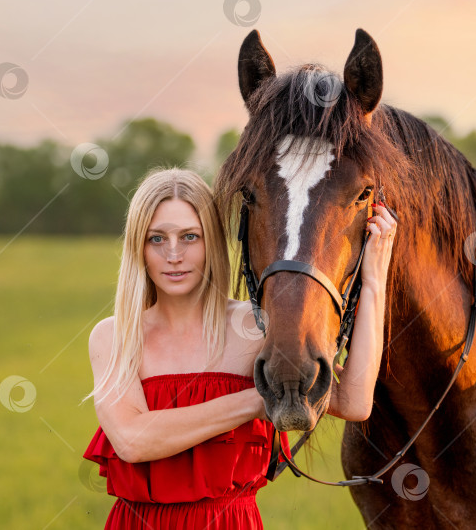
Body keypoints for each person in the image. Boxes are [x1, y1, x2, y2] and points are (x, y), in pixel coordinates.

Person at [82, 167, 397, 529]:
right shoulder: (114, 336)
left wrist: (374, 281)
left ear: (212, 241)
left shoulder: (254, 327)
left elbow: (354, 401)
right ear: (138, 246)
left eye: (189, 237)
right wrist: (255, 401)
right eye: (156, 239)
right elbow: (133, 441)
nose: (173, 254)